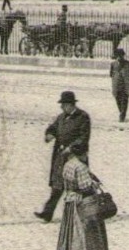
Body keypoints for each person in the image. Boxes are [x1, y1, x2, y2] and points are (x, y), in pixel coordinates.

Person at [52, 146, 110, 250]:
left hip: (69, 201)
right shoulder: (81, 167)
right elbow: (85, 186)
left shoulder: (68, 164)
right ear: (83, 153)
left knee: (70, 234)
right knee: (82, 235)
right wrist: (94, 185)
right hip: (81, 202)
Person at [37, 91, 92, 222]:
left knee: (80, 187)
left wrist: (72, 148)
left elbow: (84, 137)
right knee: (57, 186)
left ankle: (90, 210)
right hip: (60, 156)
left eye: (64, 105)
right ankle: (47, 213)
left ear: (71, 105)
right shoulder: (61, 117)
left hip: (76, 157)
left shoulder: (83, 117)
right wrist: (49, 134)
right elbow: (53, 128)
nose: (62, 107)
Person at [109, 47, 129, 123]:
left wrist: (127, 81)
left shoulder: (128, 64)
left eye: (121, 56)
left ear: (123, 56)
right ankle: (121, 112)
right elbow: (111, 74)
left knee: (124, 100)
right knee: (118, 100)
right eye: (117, 56)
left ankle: (122, 115)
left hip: (125, 86)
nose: (119, 57)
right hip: (116, 86)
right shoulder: (113, 64)